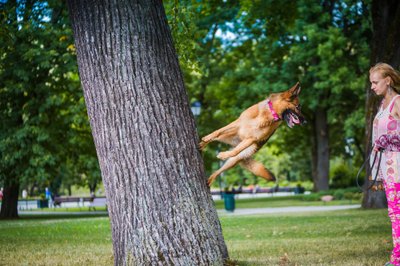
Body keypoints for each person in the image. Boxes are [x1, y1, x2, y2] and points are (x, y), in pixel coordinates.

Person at [369, 62, 400, 266]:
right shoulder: (381, 106)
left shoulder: (398, 102)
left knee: (397, 212)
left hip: (398, 164)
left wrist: (389, 139)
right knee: (394, 213)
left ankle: (397, 259)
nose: (372, 86)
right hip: (387, 167)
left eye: (375, 82)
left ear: (387, 81)